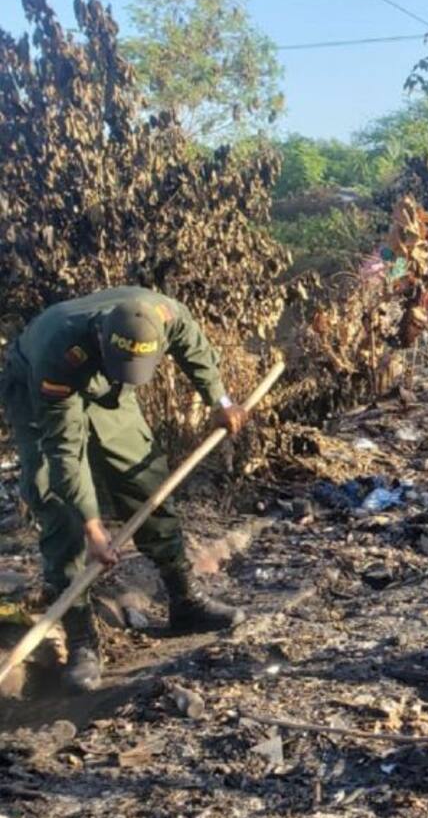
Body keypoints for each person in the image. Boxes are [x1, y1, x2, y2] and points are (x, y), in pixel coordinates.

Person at [0, 286, 250, 692]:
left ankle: (185, 600)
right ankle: (81, 637)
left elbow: (195, 349)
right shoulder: (58, 353)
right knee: (54, 495)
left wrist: (219, 400)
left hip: (106, 384)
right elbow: (64, 449)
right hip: (37, 390)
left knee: (143, 477)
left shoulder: (163, 315)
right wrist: (92, 525)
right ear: (102, 339)